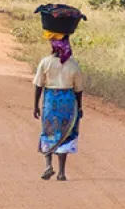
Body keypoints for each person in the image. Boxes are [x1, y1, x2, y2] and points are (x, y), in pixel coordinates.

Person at [32, 35, 85, 181]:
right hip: (68, 101)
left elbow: (38, 85)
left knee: (48, 130)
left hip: (50, 99)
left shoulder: (45, 62)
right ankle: (61, 172)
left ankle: (48, 165)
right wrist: (79, 107)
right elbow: (78, 89)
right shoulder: (73, 65)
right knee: (65, 133)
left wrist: (35, 105)